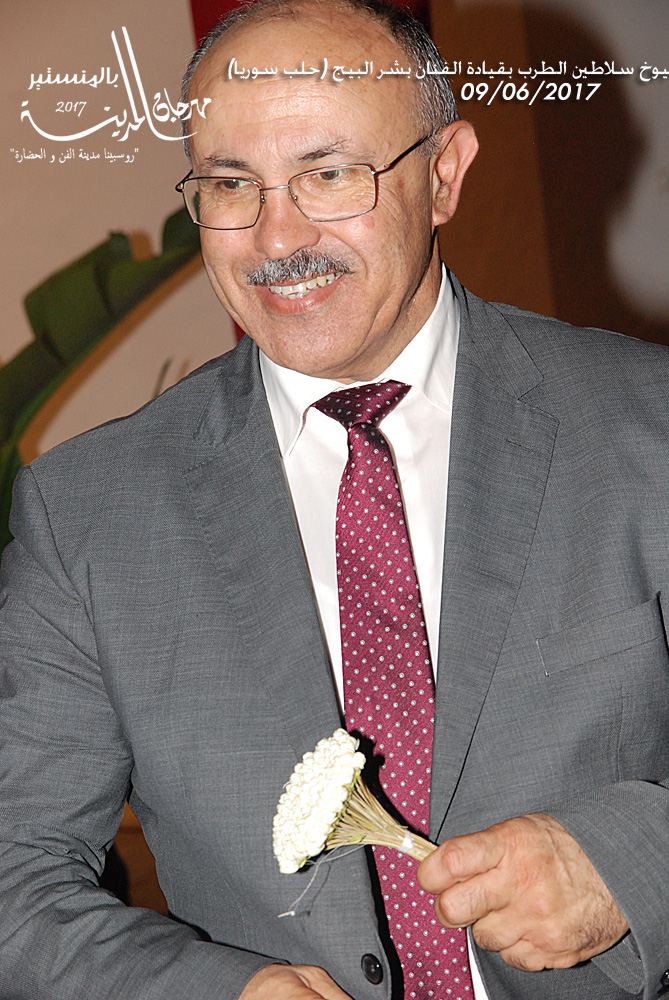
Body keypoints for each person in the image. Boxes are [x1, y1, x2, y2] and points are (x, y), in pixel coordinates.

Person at [0, 1, 668, 998]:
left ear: (443, 174)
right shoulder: (87, 513)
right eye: (232, 183)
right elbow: (15, 874)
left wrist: (637, 861)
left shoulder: (647, 428)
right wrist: (217, 991)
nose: (277, 236)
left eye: (328, 173)